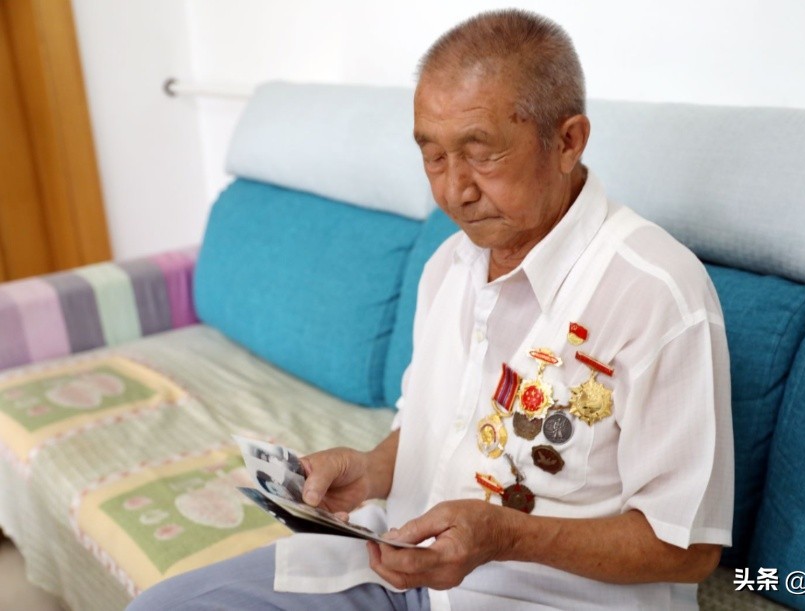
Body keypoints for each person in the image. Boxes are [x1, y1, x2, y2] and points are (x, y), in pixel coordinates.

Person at [129, 8, 733, 610]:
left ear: (568, 141)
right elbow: (437, 427)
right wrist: (371, 470)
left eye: (482, 153)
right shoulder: (450, 264)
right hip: (395, 568)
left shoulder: (657, 293)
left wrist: (504, 537)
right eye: (433, 157)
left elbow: (689, 548)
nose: (454, 191)